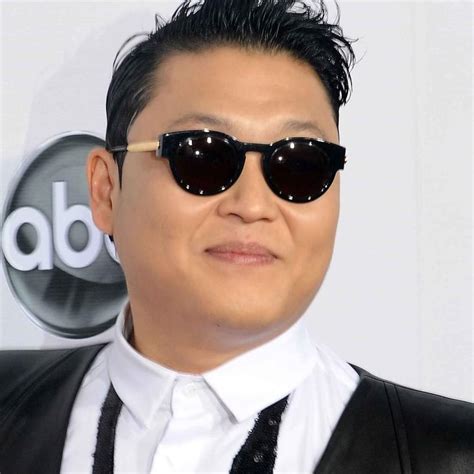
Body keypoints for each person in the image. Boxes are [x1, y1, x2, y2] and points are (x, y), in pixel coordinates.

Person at [0, 0, 472, 472]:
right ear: (106, 190)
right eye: (202, 157)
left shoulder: (450, 453)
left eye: (299, 164)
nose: (252, 204)